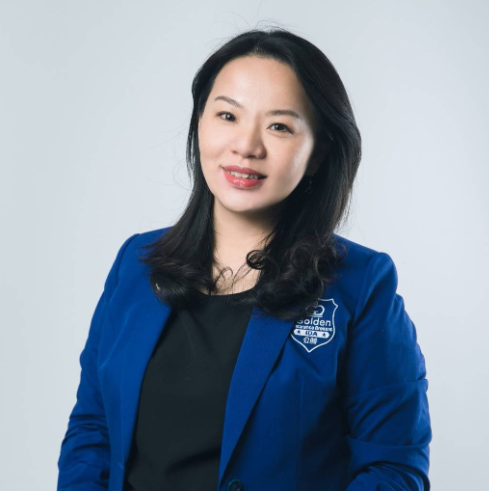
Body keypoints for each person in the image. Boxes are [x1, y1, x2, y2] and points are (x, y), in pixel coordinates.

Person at [57, 27, 432, 491]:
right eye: (227, 115)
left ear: (317, 153)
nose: (247, 146)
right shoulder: (135, 264)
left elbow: (394, 469)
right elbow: (93, 430)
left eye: (279, 126)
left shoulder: (361, 284)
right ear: (200, 123)